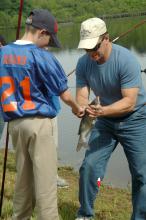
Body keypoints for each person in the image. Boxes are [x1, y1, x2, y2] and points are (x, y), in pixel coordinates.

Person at [0, 9, 84, 220]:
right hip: (38, 124)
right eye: (49, 39)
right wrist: (77, 108)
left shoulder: (3, 52)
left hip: (14, 125)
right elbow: (64, 95)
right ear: (42, 32)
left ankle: (19, 217)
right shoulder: (41, 56)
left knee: (23, 181)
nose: (48, 45)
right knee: (46, 185)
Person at [75, 17, 146, 220]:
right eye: (86, 50)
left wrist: (101, 111)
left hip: (135, 119)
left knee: (142, 174)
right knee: (89, 167)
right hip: (104, 122)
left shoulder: (127, 60)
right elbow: (82, 94)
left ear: (106, 39)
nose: (91, 55)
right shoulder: (84, 63)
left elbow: (129, 101)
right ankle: (85, 214)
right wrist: (82, 107)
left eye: (94, 48)